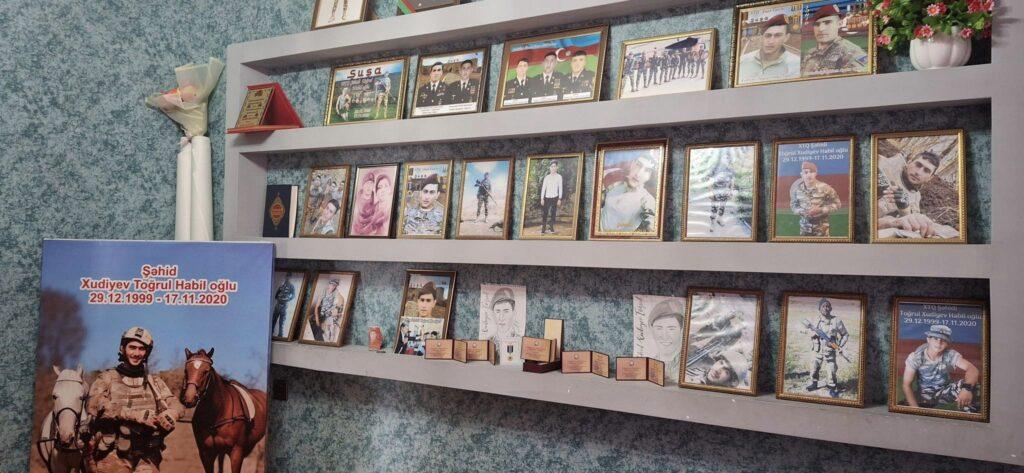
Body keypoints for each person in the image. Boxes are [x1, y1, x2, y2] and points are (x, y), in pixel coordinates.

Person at [87, 327, 183, 473]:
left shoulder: (154, 381)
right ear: (123, 348)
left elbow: (176, 403)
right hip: (113, 455)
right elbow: (94, 405)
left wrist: (171, 414)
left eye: (141, 349)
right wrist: (134, 415)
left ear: (147, 353)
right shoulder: (107, 378)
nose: (136, 353)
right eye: (132, 347)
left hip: (147, 455)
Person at [877, 150, 960, 239]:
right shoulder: (884, 164)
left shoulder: (916, 196)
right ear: (909, 162)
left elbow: (909, 222)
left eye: (926, 170)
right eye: (918, 165)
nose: (918, 172)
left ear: (930, 178)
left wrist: (904, 208)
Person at [901, 325, 980, 411]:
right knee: (902, 407)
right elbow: (906, 385)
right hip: (924, 395)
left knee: (972, 384)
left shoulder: (950, 354)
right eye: (935, 338)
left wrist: (966, 389)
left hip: (945, 391)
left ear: (947, 343)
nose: (939, 343)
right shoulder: (915, 357)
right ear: (928, 339)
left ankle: (969, 413)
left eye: (943, 340)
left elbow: (973, 369)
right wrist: (915, 409)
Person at [801, 5, 868, 77]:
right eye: (817, 24)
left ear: (839, 24)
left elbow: (859, 79)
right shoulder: (810, 52)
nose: (821, 29)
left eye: (827, 23)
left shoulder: (852, 52)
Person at [599, 154, 658, 233]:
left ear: (650, 177)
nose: (638, 174)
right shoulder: (616, 185)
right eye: (638, 165)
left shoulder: (647, 200)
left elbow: (652, 228)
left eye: (647, 170)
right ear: (632, 164)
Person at [737, 14, 801, 84]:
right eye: (767, 36)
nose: (771, 41)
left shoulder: (796, 65)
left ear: (786, 37)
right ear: (761, 37)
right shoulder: (742, 61)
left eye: (777, 36)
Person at [806, 298, 849, 398]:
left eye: (828, 306)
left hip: (830, 351)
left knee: (831, 370)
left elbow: (845, 334)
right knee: (814, 368)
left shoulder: (836, 320)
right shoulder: (815, 320)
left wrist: (839, 345)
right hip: (817, 349)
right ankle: (814, 383)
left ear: (831, 308)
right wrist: (812, 333)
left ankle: (832, 388)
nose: (826, 308)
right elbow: (805, 329)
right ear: (819, 308)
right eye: (823, 306)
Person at [789, 161, 841, 237]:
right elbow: (793, 206)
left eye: (811, 172)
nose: (809, 175)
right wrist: (802, 211)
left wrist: (821, 210)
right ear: (802, 175)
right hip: (804, 229)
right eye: (806, 172)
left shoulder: (826, 188)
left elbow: (837, 204)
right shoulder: (797, 190)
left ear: (816, 173)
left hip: (822, 229)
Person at [647, 299, 684, 384]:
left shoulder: (690, 363)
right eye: (659, 328)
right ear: (652, 330)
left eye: (671, 329)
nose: (664, 335)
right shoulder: (649, 365)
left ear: (681, 330)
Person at [708, 165, 736, 233]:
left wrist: (731, 191)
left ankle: (719, 219)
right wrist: (710, 192)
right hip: (715, 191)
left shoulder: (730, 168)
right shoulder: (715, 166)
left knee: (722, 207)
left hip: (725, 191)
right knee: (714, 208)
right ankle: (712, 224)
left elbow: (732, 180)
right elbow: (710, 180)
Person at [539, 161, 563, 234]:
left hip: (555, 197)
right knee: (545, 213)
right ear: (550, 168)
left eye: (554, 166)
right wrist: (542, 198)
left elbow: (560, 188)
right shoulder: (547, 177)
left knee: (553, 213)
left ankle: (551, 226)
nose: (553, 168)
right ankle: (543, 228)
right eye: (552, 166)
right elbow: (543, 188)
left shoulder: (559, 177)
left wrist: (559, 199)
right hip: (547, 198)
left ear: (557, 167)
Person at [272, 273, 296, 338]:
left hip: (284, 306)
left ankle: (280, 335)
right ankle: (271, 333)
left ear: (290, 278)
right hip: (277, 305)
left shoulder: (291, 286)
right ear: (285, 277)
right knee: (273, 320)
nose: (287, 278)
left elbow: (293, 295)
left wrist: (288, 299)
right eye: (286, 276)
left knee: (281, 322)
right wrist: (278, 297)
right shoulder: (282, 285)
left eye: (289, 277)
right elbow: (276, 294)